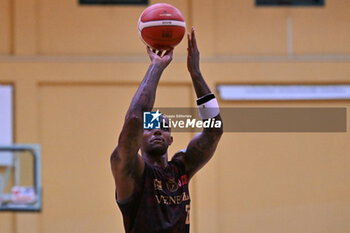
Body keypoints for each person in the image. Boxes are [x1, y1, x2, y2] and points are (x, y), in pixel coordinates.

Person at [110, 27, 223, 233]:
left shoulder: (181, 169)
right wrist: (157, 67)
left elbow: (214, 130)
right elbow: (136, 118)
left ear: (171, 138)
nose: (157, 131)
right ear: (138, 139)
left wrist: (196, 74)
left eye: (163, 127)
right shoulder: (130, 170)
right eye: (150, 127)